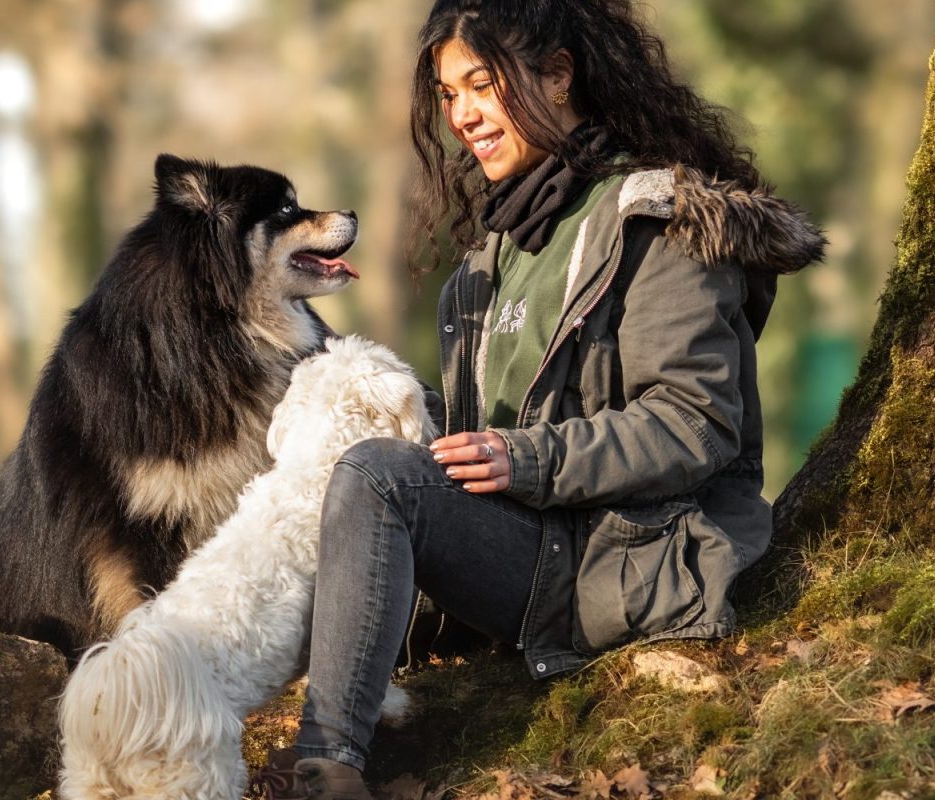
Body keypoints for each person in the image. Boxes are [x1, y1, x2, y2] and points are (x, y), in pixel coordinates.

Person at [281, 0, 825, 796]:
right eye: (447, 94)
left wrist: (525, 459)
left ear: (558, 75)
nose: (462, 114)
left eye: (481, 84)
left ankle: (326, 772)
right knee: (333, 473)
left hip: (625, 555)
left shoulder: (654, 221)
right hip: (526, 548)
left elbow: (695, 424)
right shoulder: (483, 265)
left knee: (376, 477)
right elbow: (476, 441)